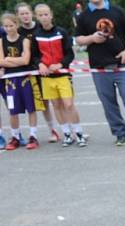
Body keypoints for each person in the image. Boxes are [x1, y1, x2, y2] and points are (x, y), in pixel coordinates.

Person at [75, 0, 125, 146]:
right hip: (99, 68)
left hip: (121, 64)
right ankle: (119, 134)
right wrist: (91, 38)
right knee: (108, 102)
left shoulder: (117, 11)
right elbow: (78, 39)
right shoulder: (83, 16)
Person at [34, 3, 87, 147]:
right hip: (47, 78)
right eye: (40, 15)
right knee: (56, 105)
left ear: (51, 15)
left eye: (46, 14)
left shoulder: (61, 32)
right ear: (37, 17)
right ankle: (67, 134)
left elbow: (70, 53)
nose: (44, 17)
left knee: (69, 105)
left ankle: (79, 133)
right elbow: (35, 56)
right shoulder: (36, 35)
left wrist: (61, 64)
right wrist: (40, 64)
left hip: (63, 75)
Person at [16, 2, 58, 144]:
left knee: (59, 101)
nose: (25, 16)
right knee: (43, 102)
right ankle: (52, 130)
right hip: (30, 71)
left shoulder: (41, 25)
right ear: (18, 16)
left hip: (48, 68)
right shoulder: (18, 31)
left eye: (27, 13)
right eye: (22, 14)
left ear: (32, 14)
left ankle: (69, 129)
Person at [1, 12, 40, 150]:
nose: (8, 28)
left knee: (31, 108)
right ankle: (15, 136)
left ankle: (33, 135)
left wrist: (9, 59)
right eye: (5, 26)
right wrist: (10, 62)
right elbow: (1, 61)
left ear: (16, 25)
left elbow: (26, 60)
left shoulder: (24, 40)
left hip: (25, 79)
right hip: (10, 81)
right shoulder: (1, 41)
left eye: (11, 25)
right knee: (13, 110)